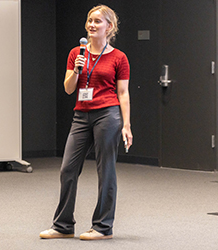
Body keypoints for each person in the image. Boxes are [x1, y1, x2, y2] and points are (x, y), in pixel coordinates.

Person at [39, 4, 132, 240]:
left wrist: (126, 125)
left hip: (107, 115)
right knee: (68, 168)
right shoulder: (76, 54)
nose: (92, 25)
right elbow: (69, 88)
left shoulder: (119, 58)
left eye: (98, 21)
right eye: (90, 20)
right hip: (81, 115)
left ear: (109, 27)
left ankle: (103, 227)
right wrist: (77, 71)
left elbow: (123, 93)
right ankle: (63, 225)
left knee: (106, 171)